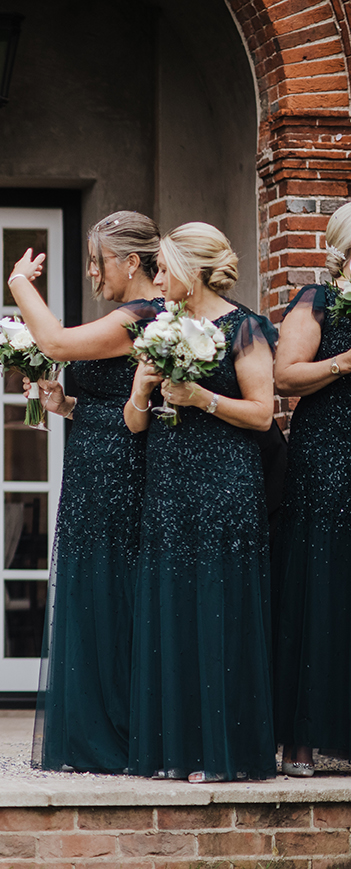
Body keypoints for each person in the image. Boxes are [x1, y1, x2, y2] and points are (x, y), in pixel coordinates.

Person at [8, 211, 164, 773]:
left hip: (122, 473)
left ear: (131, 261)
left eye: (98, 262)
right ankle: (96, 730)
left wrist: (19, 283)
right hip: (94, 465)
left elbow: (55, 342)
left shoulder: (144, 316)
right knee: (94, 593)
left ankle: (119, 735)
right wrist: (66, 405)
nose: (93, 273)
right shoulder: (128, 317)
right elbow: (112, 406)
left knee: (114, 593)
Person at [124, 222, 276, 782]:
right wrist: (141, 391)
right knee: (172, 606)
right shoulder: (160, 329)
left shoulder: (244, 328)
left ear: (192, 271)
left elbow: (261, 414)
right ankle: (174, 750)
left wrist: (200, 397)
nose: (157, 279)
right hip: (168, 483)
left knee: (219, 607)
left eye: (164, 268)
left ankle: (223, 753)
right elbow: (134, 425)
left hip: (224, 483)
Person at [271, 202, 351, 777]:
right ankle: (301, 738)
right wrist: (344, 362)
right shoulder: (317, 301)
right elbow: (284, 375)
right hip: (327, 452)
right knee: (320, 579)